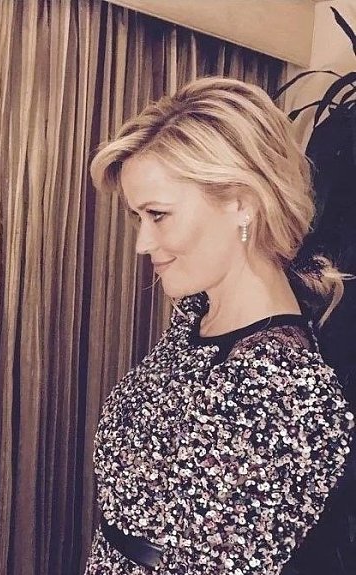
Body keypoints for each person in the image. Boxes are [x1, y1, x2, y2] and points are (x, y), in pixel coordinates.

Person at [85, 77, 354, 574]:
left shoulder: (284, 388)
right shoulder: (196, 314)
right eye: (138, 217)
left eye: (158, 215)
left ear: (242, 202)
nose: (142, 243)